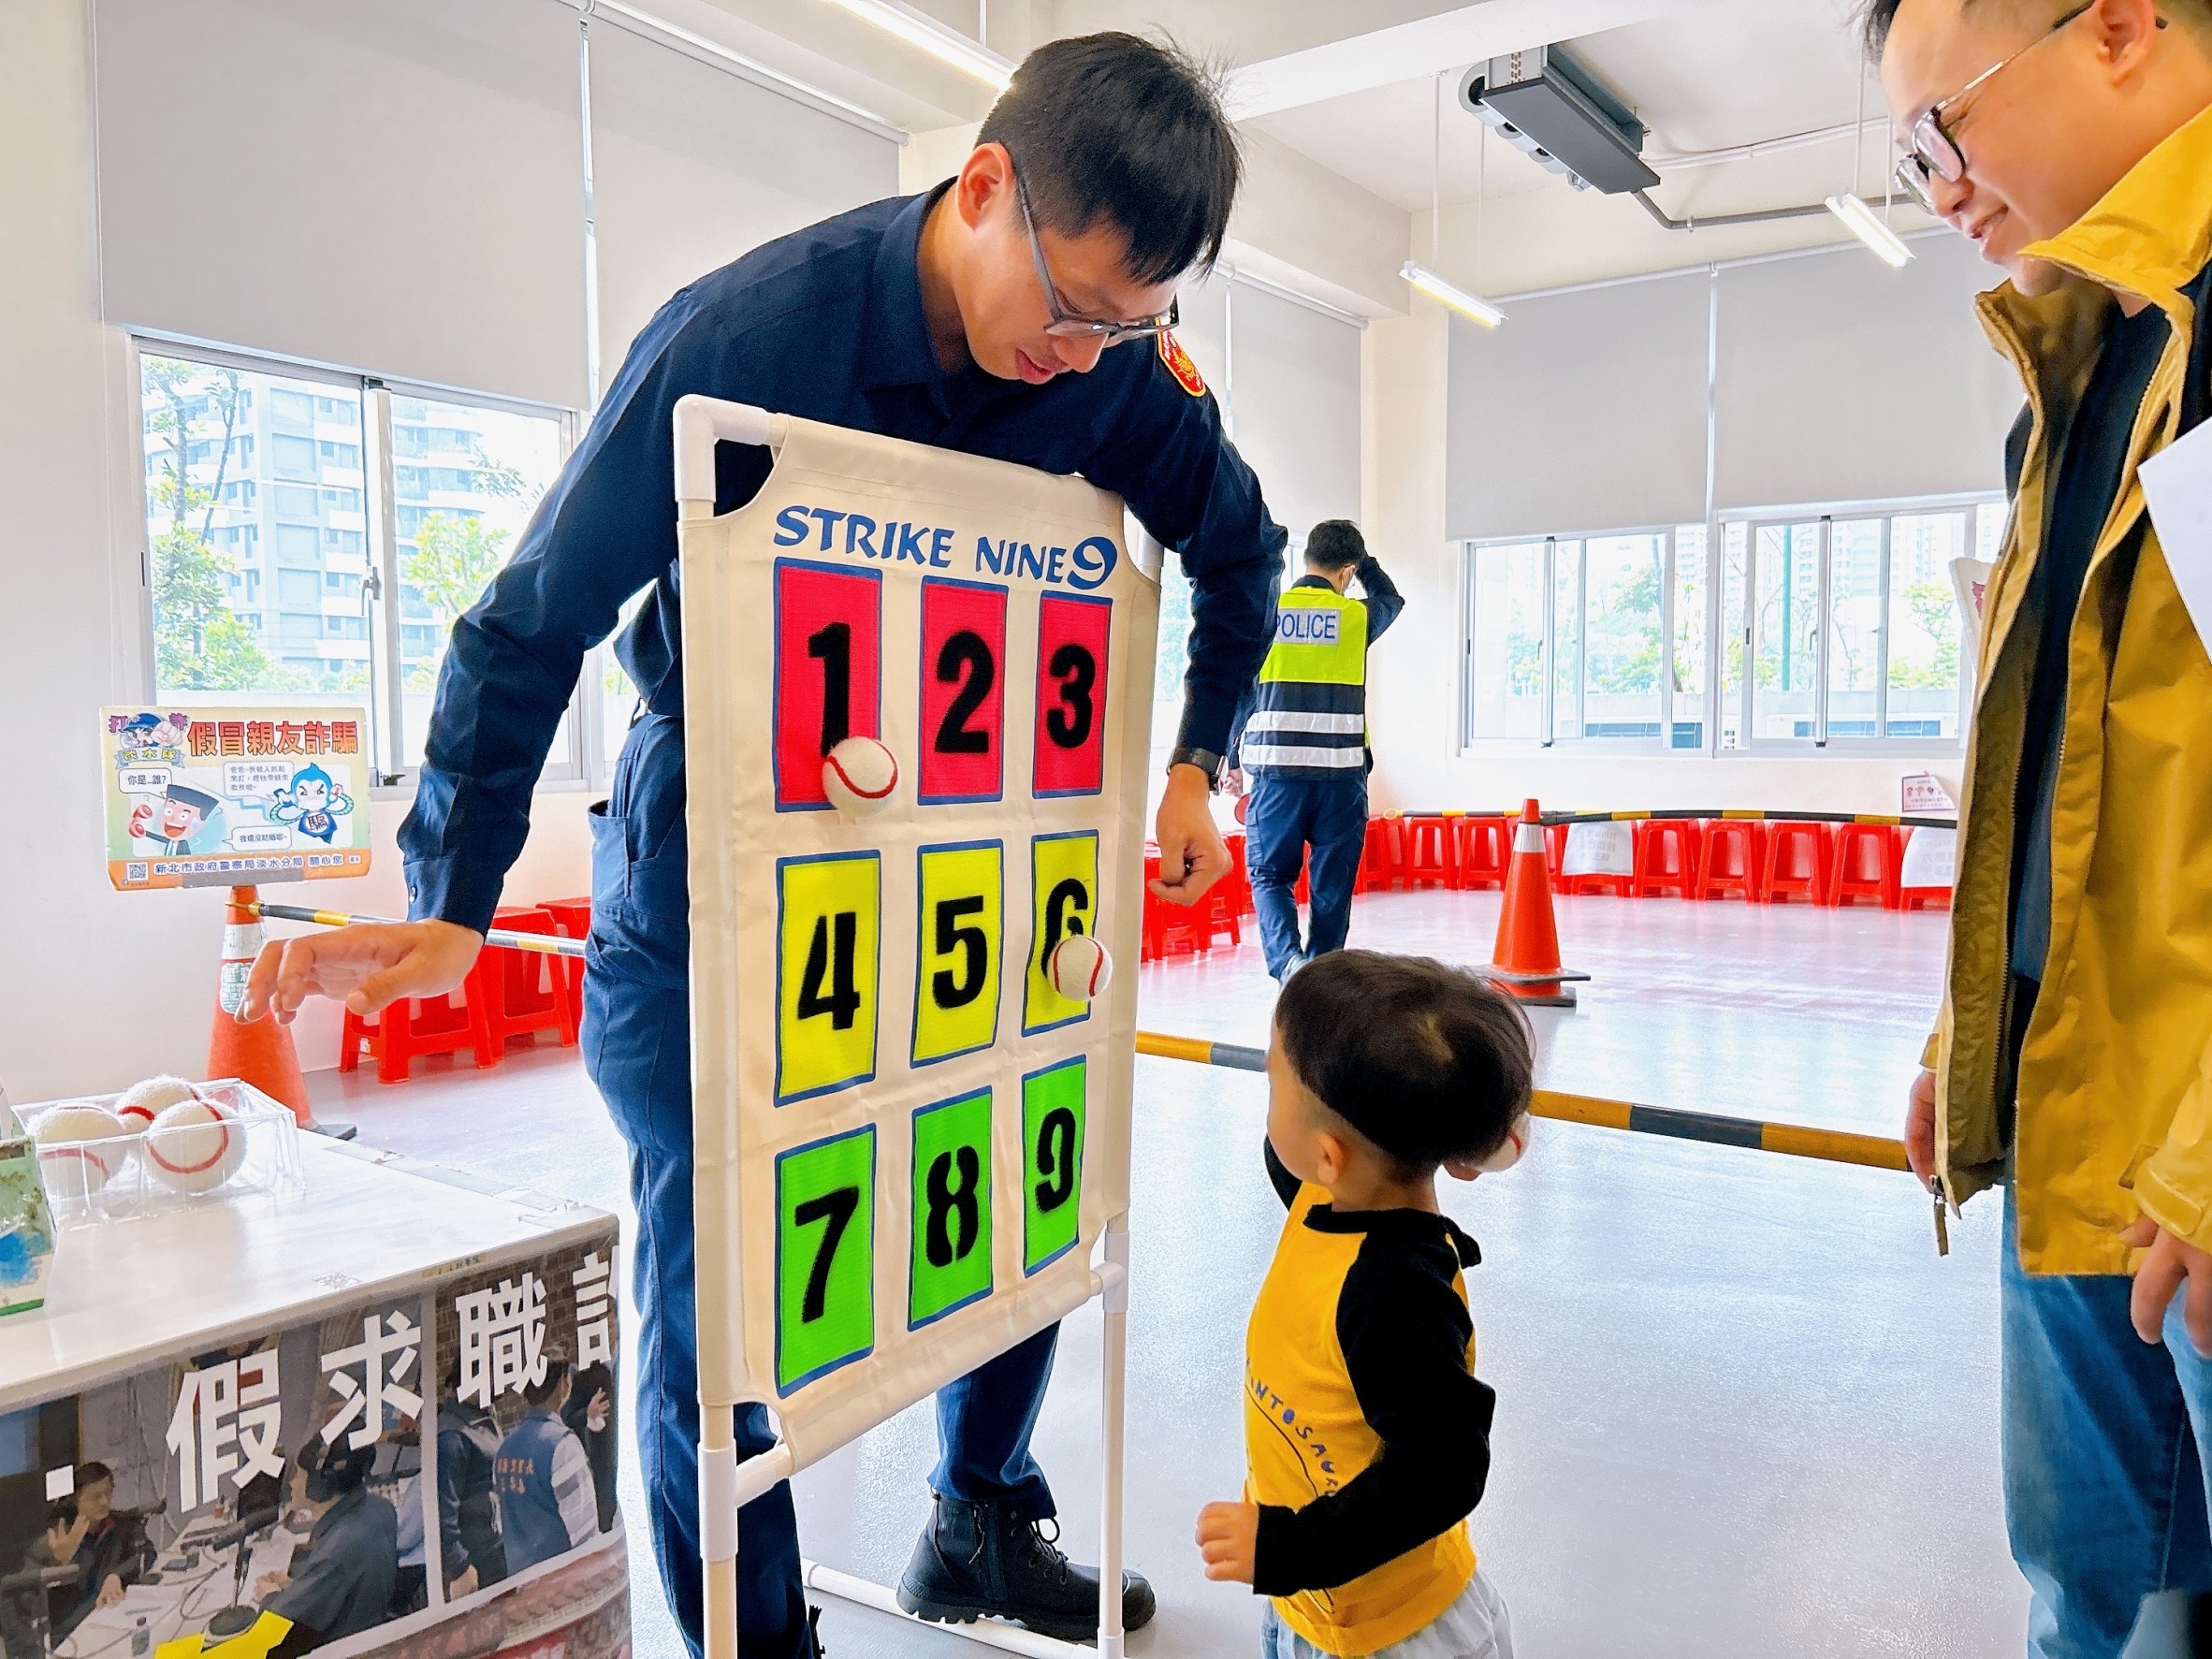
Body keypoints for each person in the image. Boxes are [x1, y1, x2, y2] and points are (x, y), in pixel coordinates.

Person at [237, 31, 1282, 1659]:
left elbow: (1240, 545)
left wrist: (1195, 764)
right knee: (723, 1299)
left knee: (1009, 1185)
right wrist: (450, 897)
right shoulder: (745, 335)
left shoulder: (1116, 374)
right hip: (720, 866)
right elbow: (527, 623)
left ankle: (977, 1516)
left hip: (975, 860)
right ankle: (755, 1628)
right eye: (1070, 308)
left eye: (1131, 327)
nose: (1085, 358)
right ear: (985, 187)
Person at [1867, 1, 2212, 1652]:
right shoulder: (2076, 362)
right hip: (2074, 1121)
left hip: (2195, 1156)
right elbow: (2056, 740)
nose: (1932, 185)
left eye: (1941, 127)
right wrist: (1967, 1021)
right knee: (2084, 1596)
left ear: (2121, 29)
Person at [1194, 951, 1529, 1658]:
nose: (1266, 1094)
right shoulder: (1331, 1197)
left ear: (1328, 1153)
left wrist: (1285, 1547)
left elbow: (1443, 1470)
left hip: (1393, 1634)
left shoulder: (1395, 1292)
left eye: (1272, 1082)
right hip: (1319, 1606)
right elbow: (1288, 1151)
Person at [1232, 521, 1402, 982]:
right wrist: (1367, 563)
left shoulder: (1267, 612)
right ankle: (1321, 978)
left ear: (1305, 558)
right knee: (1332, 888)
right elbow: (1391, 599)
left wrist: (1228, 758)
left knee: (1270, 875)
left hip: (1276, 776)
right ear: (1348, 571)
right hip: (1340, 779)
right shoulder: (1355, 617)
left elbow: (1239, 689)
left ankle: (1288, 963)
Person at [258, 1441, 398, 1650]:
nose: (292, 1482)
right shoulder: (380, 1507)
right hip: (367, 1630)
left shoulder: (338, 1549)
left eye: (298, 1473)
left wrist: (268, 1595)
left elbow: (279, 1627)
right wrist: (294, 1586)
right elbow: (343, 1584)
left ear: (320, 1485)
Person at [493, 1357, 601, 1576]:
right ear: (563, 1384)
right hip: (563, 1585)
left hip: (520, 1581)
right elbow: (586, 1536)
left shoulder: (504, 1448)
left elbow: (500, 1525)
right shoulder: (563, 1445)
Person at [434, 1366, 506, 1598]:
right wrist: (458, 1567)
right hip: (475, 1559)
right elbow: (442, 1507)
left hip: (494, 1545)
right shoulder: (452, 1436)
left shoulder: (481, 1416)